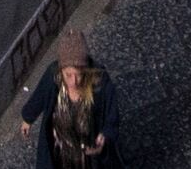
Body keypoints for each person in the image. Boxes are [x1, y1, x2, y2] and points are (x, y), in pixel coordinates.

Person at [15, 34, 117, 167]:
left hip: (86, 156)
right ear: (61, 69)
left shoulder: (100, 83)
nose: (74, 82)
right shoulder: (53, 76)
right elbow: (40, 95)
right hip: (58, 150)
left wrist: (104, 138)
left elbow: (112, 117)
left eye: (79, 75)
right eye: (68, 75)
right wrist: (28, 118)